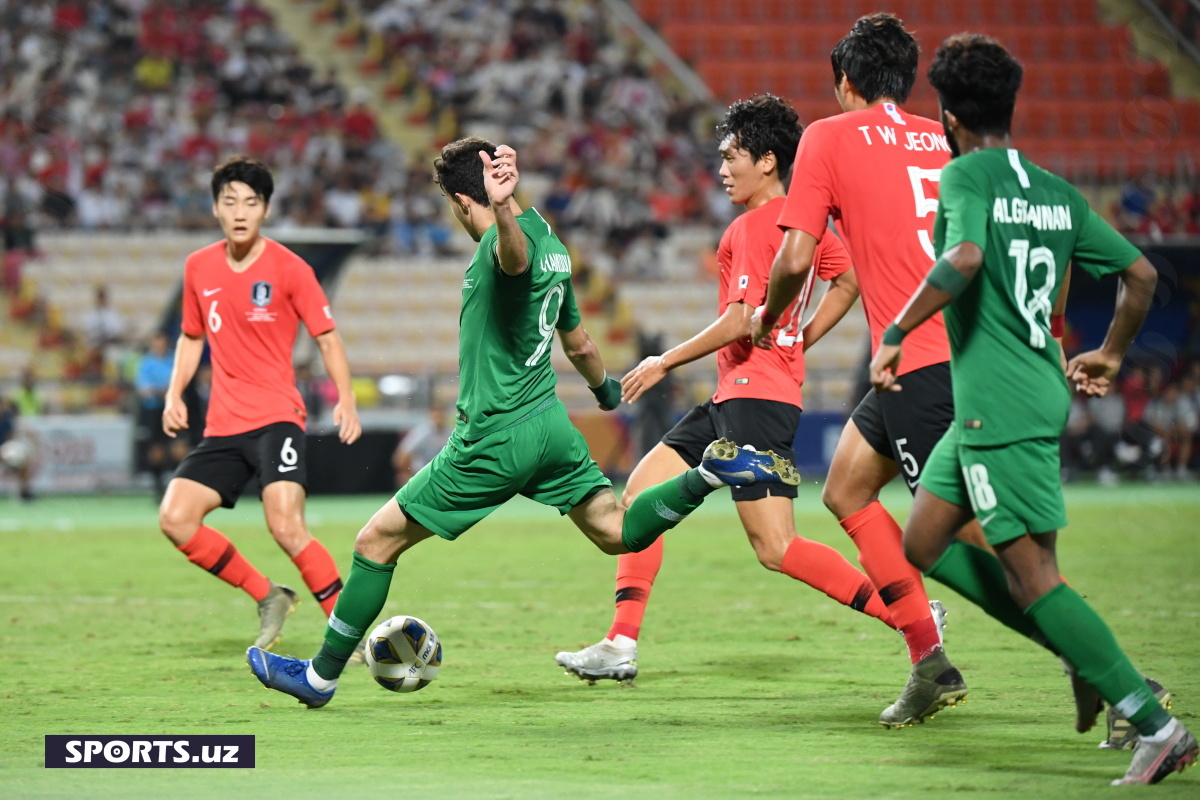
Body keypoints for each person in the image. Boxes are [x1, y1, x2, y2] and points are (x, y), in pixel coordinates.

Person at [245, 138, 799, 709]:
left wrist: (502, 211)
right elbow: (579, 341)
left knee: (376, 541)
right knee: (617, 531)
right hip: (551, 428)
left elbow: (513, 261)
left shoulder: (501, 242)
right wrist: (606, 391)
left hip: (494, 436)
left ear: (463, 201)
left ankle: (319, 678)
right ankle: (707, 474)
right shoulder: (554, 244)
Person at [868, 33, 1197, 786]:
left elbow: (965, 259)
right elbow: (1142, 275)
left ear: (947, 115)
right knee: (921, 544)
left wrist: (895, 333)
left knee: (1033, 576)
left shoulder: (966, 178)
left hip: (999, 402)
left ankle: (1156, 725)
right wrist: (1111, 353)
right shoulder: (1057, 190)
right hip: (1026, 387)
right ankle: (1080, 652)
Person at [557, 94, 941, 685]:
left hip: (754, 400)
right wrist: (800, 338)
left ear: (767, 160)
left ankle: (910, 616)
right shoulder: (803, 227)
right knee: (639, 500)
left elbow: (741, 319)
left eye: (731, 154)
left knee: (777, 547)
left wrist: (665, 359)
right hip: (735, 395)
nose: (721, 169)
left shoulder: (756, 226)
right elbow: (849, 280)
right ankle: (621, 642)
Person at [749, 13, 971, 727]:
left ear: (844, 82)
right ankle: (927, 658)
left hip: (920, 361)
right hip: (954, 350)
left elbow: (793, 257)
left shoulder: (829, 135)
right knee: (846, 488)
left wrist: (770, 317)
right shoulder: (946, 137)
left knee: (977, 541)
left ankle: (1114, 673)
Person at [158, 156, 363, 654]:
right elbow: (190, 337)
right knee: (175, 518)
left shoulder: (291, 268)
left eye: (251, 201)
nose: (240, 211)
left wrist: (348, 401)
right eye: (230, 201)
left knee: (287, 526)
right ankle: (268, 595)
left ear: (266, 209)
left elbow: (327, 338)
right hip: (223, 426)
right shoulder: (198, 267)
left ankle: (346, 634)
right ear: (215, 209)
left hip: (277, 417)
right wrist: (173, 392)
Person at [134, 331, 185, 499]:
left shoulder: (174, 360)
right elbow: (145, 391)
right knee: (157, 451)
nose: (159, 345)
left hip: (174, 409)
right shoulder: (146, 363)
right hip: (154, 411)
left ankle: (179, 489)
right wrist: (168, 391)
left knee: (179, 449)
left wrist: (164, 392)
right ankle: (159, 490)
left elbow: (182, 383)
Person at [392, 405, 453, 488]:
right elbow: (402, 454)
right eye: (436, 416)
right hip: (422, 476)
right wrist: (406, 473)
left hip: (443, 476)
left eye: (441, 415)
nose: (439, 419)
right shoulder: (421, 432)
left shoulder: (451, 432)